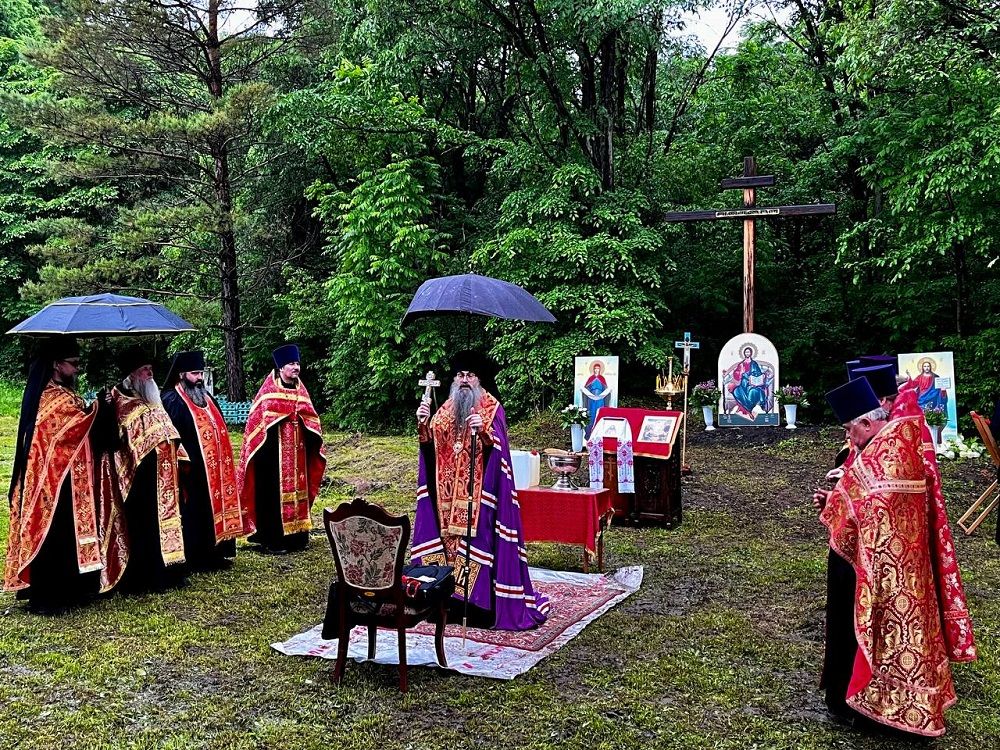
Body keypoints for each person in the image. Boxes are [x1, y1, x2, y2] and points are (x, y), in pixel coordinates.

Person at [813, 378, 976, 737]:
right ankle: (853, 702)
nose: (850, 439)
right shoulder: (887, 443)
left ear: (867, 423)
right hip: (878, 561)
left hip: (891, 569)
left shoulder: (893, 449)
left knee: (888, 638)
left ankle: (884, 713)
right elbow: (865, 499)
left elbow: (877, 501)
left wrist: (840, 502)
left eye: (850, 429)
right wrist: (835, 501)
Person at [411, 350, 548, 630]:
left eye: (470, 375)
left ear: (479, 379)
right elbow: (430, 451)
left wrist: (483, 433)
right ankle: (446, 602)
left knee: (478, 551)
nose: (464, 380)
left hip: (480, 500)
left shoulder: (492, 408)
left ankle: (477, 610)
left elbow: (501, 456)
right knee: (447, 551)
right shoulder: (446, 409)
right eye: (460, 375)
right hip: (447, 503)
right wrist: (423, 424)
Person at [4, 338, 103, 613]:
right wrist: (97, 410)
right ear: (57, 365)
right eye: (73, 364)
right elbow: (70, 428)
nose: (77, 369)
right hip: (49, 482)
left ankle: (73, 589)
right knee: (53, 535)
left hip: (70, 479)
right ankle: (49, 595)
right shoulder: (48, 397)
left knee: (68, 534)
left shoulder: (66, 394)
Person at [95, 348, 188, 593]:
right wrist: (103, 409)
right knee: (143, 526)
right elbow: (112, 441)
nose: (150, 373)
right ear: (132, 374)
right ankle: (146, 576)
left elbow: (166, 430)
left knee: (168, 523)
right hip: (138, 477)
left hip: (164, 472)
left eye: (150, 369)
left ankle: (171, 571)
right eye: (145, 369)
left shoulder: (152, 398)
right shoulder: (115, 399)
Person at [237, 344, 326, 554]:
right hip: (272, 459)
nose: (296, 368)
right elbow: (257, 425)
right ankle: (272, 539)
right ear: (280, 368)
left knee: (298, 494)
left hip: (298, 454)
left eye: (297, 363)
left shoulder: (301, 391)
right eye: (291, 364)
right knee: (271, 497)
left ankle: (297, 537)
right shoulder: (268, 393)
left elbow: (311, 418)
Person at [161, 351, 243, 570]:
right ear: (181, 374)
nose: (199, 378)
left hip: (216, 470)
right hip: (191, 470)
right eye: (194, 373)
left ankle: (218, 553)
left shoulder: (208, 398)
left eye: (201, 373)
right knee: (195, 512)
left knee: (213, 508)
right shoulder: (172, 400)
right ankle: (198, 558)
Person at [726, 346, 770, 418]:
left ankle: (748, 409)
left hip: (752, 383)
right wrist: (741, 373)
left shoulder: (754, 364)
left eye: (748, 352)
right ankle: (749, 410)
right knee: (736, 391)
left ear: (751, 353)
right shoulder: (741, 364)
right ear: (744, 353)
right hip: (743, 383)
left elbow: (758, 373)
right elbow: (735, 373)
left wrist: (762, 375)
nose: (747, 353)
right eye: (746, 352)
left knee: (753, 392)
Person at [579, 360, 612, 437]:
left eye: (598, 368)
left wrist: (602, 395)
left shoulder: (602, 378)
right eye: (595, 368)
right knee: (591, 414)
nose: (597, 370)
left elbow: (607, 389)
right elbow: (584, 388)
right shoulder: (590, 378)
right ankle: (589, 434)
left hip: (600, 400)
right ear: (593, 369)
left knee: (600, 413)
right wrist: (590, 395)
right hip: (591, 400)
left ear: (600, 369)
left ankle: (599, 434)